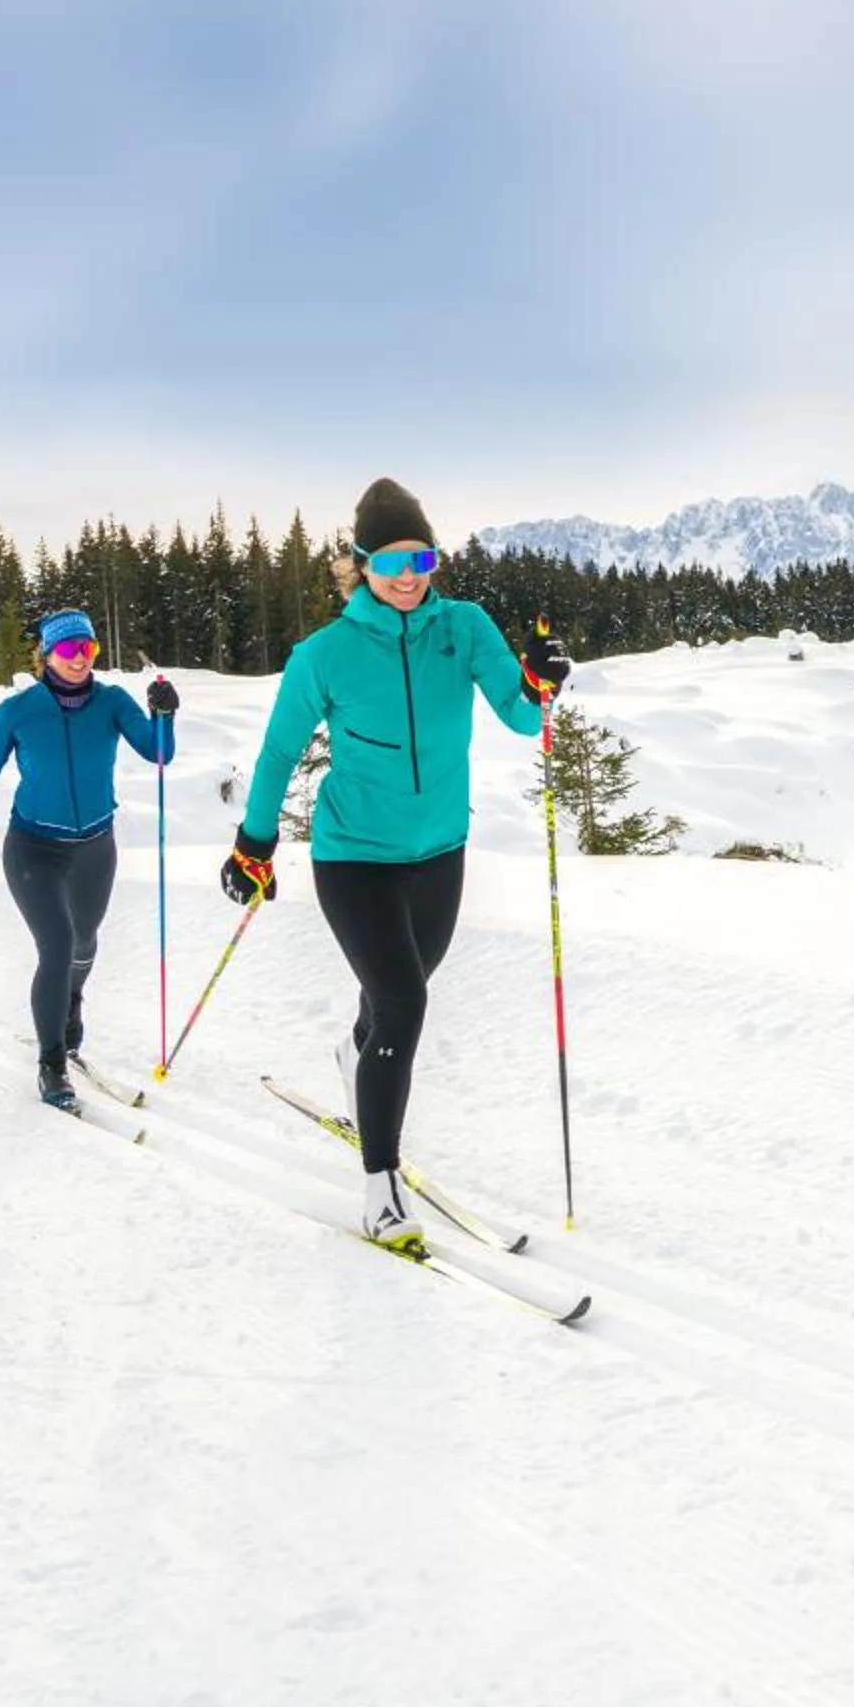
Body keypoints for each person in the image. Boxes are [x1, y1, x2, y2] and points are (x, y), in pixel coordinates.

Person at [224, 478, 572, 1253]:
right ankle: (380, 1187)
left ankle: (355, 1056)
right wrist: (253, 843)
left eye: (420, 556)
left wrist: (539, 680)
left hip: (439, 854)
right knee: (406, 1005)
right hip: (353, 857)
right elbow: (282, 751)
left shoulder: (466, 628)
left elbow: (519, 714)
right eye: (389, 561)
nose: (408, 574)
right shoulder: (327, 654)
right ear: (358, 564)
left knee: (394, 1001)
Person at [0, 609, 179, 1108]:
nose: (80, 659)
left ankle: (71, 1001)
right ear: (47, 655)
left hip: (96, 847)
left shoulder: (112, 702)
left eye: (88, 649)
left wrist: (165, 715)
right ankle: (52, 1063)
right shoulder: (18, 710)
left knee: (85, 942)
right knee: (57, 943)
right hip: (33, 848)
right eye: (69, 651)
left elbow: (159, 754)